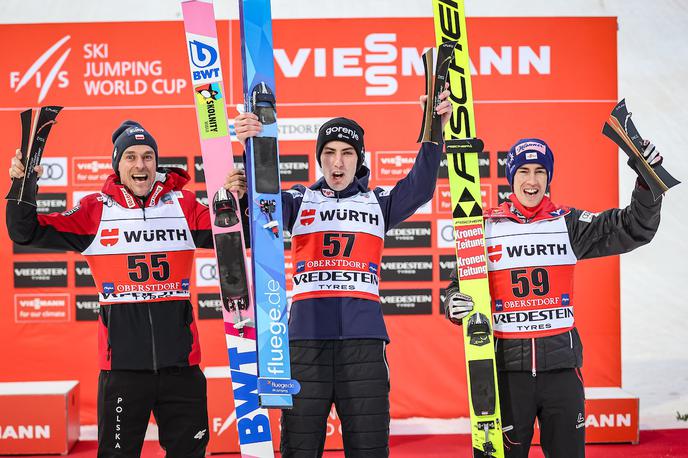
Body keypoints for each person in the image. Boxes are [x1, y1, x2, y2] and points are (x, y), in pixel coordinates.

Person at [227, 90, 451, 457]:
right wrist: (249, 144)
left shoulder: (378, 202)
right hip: (303, 345)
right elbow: (260, 198)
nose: (337, 162)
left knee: (369, 448)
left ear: (358, 159)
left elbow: (421, 185)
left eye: (347, 153)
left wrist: (433, 130)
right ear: (319, 159)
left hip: (363, 345)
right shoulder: (299, 201)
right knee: (299, 448)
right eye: (329, 153)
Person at [6, 120, 229, 457]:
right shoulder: (95, 210)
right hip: (123, 371)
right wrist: (23, 184)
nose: (140, 165)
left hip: (182, 368)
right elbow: (25, 232)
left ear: (157, 163)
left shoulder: (182, 205)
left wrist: (236, 191)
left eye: (148, 157)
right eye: (130, 157)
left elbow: (233, 229)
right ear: (117, 163)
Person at [443, 137, 664, 457]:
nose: (531, 181)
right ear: (511, 177)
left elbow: (633, 228)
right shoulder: (485, 227)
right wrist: (453, 304)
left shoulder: (568, 222)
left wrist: (647, 180)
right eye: (523, 172)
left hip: (561, 372)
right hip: (506, 374)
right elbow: (456, 288)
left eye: (539, 172)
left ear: (549, 177)